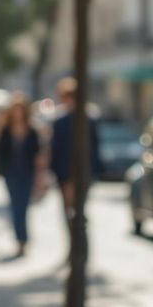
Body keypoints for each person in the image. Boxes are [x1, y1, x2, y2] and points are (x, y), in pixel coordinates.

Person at [0, 94, 44, 257]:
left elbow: (37, 155)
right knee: (15, 206)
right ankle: (20, 239)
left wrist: (40, 177)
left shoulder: (32, 130)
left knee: (24, 206)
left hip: (27, 173)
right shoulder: (5, 130)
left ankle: (23, 238)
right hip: (10, 173)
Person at [49, 77, 100, 220]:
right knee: (69, 209)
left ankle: (78, 235)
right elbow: (56, 147)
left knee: (78, 208)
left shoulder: (88, 118)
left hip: (82, 169)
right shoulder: (60, 120)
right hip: (66, 171)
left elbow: (94, 145)